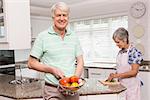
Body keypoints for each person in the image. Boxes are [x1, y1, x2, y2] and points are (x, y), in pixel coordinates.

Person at [28, 2, 84, 100]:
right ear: (53, 17)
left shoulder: (74, 36)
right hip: (53, 91)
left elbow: (80, 61)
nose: (62, 18)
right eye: (58, 15)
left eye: (64, 15)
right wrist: (52, 70)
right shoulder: (42, 37)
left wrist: (74, 80)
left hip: (73, 91)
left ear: (68, 17)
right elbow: (31, 63)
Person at [106, 27, 143, 100]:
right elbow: (121, 68)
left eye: (118, 42)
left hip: (131, 86)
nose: (116, 44)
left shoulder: (134, 52)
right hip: (122, 85)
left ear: (125, 40)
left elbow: (134, 72)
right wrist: (114, 75)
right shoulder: (121, 52)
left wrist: (116, 75)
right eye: (115, 42)